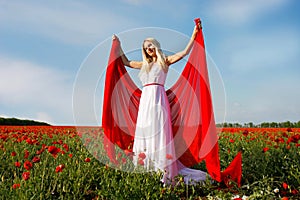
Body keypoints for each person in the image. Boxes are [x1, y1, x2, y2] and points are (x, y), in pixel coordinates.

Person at [111, 21, 208, 184]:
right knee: (145, 132)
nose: (148, 48)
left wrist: (194, 34)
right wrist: (117, 45)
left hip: (158, 100)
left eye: (151, 45)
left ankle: (162, 169)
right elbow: (126, 62)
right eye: (146, 47)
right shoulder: (143, 65)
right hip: (145, 102)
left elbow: (184, 52)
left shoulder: (164, 61)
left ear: (156, 46)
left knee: (159, 131)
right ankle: (146, 168)